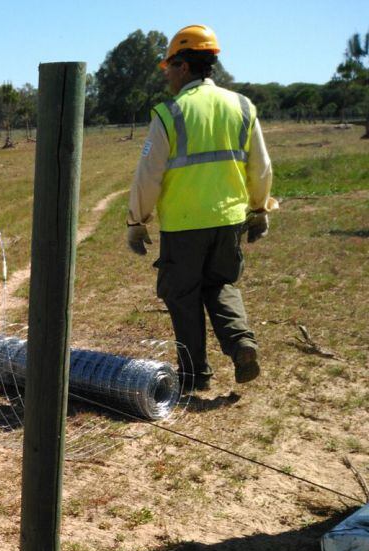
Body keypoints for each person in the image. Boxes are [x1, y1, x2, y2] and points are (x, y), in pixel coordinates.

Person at [127, 24, 277, 394]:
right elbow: (260, 167)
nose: (167, 78)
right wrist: (259, 210)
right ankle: (241, 343)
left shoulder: (170, 113)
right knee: (221, 284)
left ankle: (196, 375)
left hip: (183, 225)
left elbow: (149, 175)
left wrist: (137, 221)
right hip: (229, 220)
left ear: (183, 66)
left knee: (182, 297)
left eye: (168, 68)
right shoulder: (242, 106)